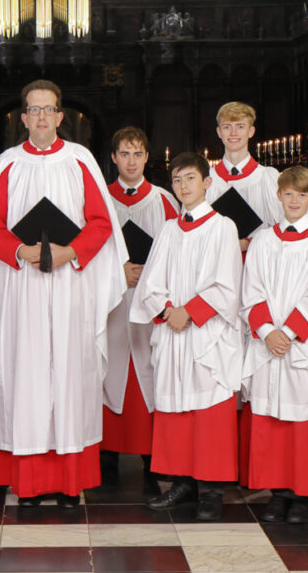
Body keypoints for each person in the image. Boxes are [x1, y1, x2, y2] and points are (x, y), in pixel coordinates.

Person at [0, 79, 126, 503]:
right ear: (23, 118)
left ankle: (70, 481)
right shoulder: (8, 163)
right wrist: (22, 251)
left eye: (48, 110)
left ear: (60, 116)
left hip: (70, 283)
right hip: (22, 288)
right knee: (26, 376)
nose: (40, 117)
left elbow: (100, 222)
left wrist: (68, 251)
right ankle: (30, 481)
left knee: (70, 374)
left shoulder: (80, 160)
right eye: (32, 110)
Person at [133, 154, 244, 521]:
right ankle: (181, 483)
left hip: (206, 333)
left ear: (207, 182)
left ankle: (211, 491)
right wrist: (167, 310)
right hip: (172, 331)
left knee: (209, 412)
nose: (183, 187)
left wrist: (190, 312)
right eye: (177, 180)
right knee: (175, 410)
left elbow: (227, 283)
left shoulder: (222, 227)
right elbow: (150, 282)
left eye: (191, 179)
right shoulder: (168, 229)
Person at [239, 167, 308, 526]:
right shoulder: (264, 241)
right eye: (288, 194)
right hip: (270, 343)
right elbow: (250, 289)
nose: (294, 200)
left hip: (304, 345)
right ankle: (278, 492)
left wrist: (290, 333)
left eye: (302, 194)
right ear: (278, 196)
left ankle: (304, 495)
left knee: (306, 421)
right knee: (273, 420)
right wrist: (268, 330)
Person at [102, 126, 177, 486]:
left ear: (147, 157)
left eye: (137, 154)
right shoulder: (100, 199)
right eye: (124, 154)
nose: (131, 161)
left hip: (150, 299)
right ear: (114, 157)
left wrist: (148, 275)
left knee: (149, 366)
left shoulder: (163, 200)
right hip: (112, 298)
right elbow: (89, 249)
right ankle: (106, 453)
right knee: (109, 364)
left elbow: (178, 252)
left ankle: (152, 456)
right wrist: (119, 271)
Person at [204, 101, 280, 252]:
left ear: (251, 131)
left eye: (240, 126)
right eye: (227, 127)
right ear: (219, 132)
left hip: (255, 263)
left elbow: (282, 227)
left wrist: (248, 243)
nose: (233, 133)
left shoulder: (267, 177)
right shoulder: (207, 179)